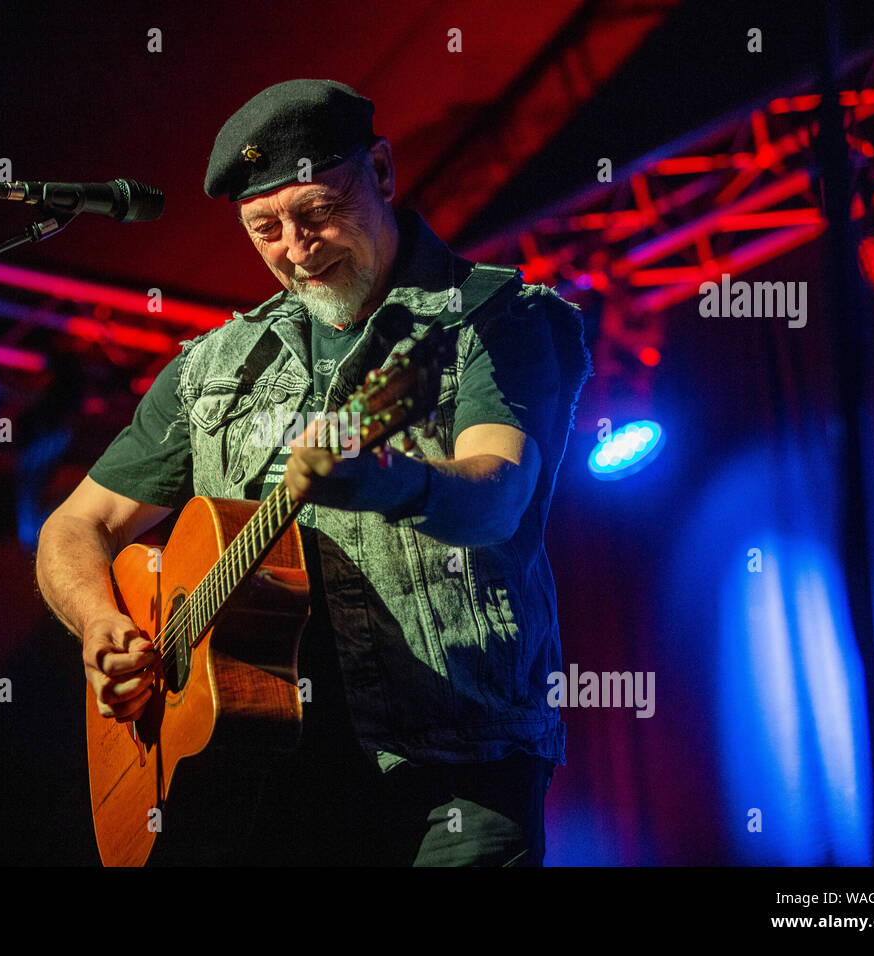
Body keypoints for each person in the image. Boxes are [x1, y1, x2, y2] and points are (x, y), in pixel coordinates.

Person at [35, 78, 591, 866]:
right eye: (265, 229)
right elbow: (75, 525)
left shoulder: (497, 321)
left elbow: (497, 497)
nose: (296, 251)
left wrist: (386, 478)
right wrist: (100, 624)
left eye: (319, 213)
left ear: (384, 173)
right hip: (264, 787)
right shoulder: (210, 369)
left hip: (458, 771)